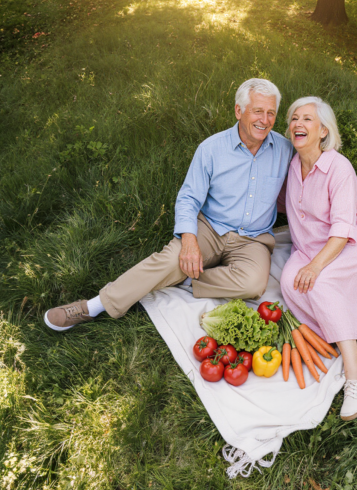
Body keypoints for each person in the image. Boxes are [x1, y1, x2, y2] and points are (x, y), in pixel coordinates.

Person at [44, 78, 294, 330]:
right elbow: (188, 197)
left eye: (271, 113)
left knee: (252, 285)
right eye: (257, 111)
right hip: (211, 227)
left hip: (253, 238)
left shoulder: (284, 149)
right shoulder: (211, 149)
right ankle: (94, 306)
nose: (265, 120)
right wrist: (188, 241)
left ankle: (183, 280)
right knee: (171, 260)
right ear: (239, 111)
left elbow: (311, 172)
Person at [279, 97, 357, 421]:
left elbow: (343, 229)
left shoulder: (338, 167)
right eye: (294, 118)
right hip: (308, 247)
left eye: (307, 119)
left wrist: (316, 266)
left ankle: (356, 374)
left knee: (317, 286)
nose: (298, 124)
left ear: (323, 131)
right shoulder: (293, 166)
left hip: (349, 246)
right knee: (290, 285)